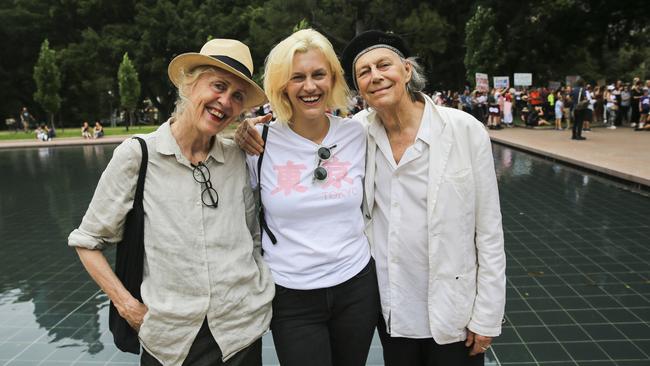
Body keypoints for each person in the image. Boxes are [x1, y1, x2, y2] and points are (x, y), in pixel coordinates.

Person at [237, 30, 506, 366]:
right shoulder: (355, 131)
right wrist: (242, 128)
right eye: (364, 72)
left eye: (384, 65)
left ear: (407, 70)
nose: (376, 77)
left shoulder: (460, 131)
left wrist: (488, 314)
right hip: (378, 305)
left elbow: (490, 232)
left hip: (438, 302)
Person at [68, 39, 274, 366]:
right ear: (189, 86)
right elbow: (87, 242)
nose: (225, 102)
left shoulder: (236, 157)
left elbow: (251, 235)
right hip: (171, 342)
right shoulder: (139, 155)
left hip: (241, 333)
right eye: (218, 86)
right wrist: (128, 307)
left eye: (237, 96)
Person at [237, 28, 379, 366]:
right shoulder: (259, 140)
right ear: (282, 85)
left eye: (318, 74)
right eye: (297, 77)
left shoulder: (357, 134)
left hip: (355, 285)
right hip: (291, 293)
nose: (310, 86)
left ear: (332, 78)